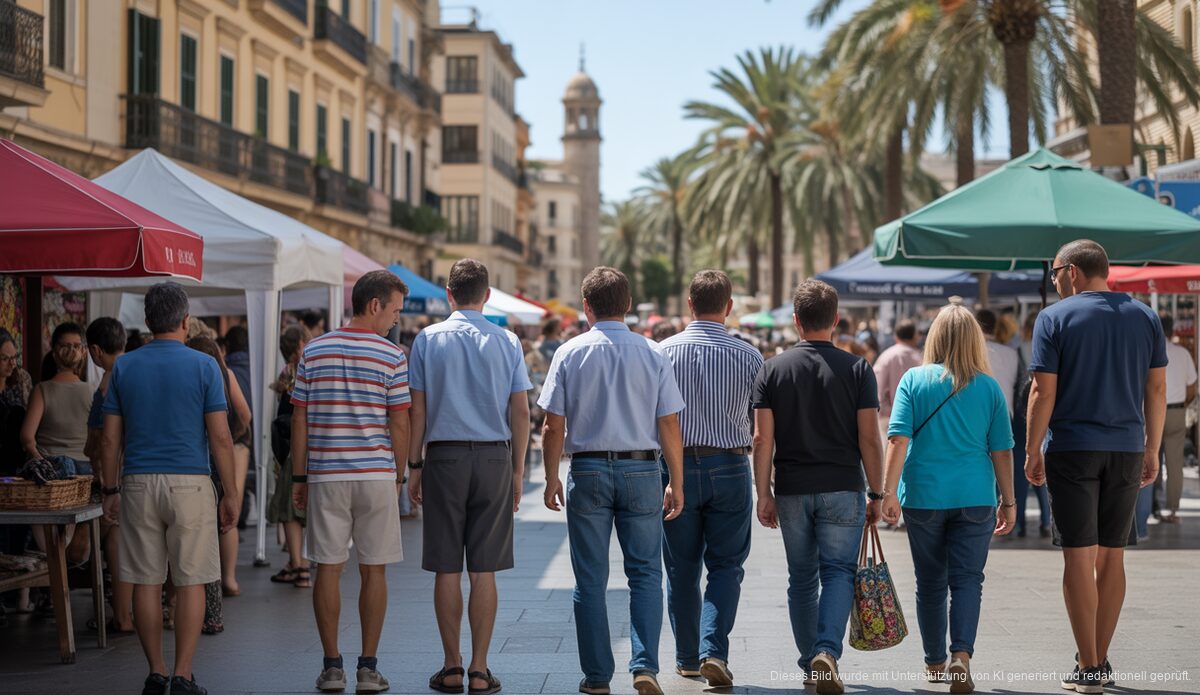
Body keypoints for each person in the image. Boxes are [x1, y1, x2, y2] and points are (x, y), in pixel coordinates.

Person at [1025, 240, 1166, 694]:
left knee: (1078, 555)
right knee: (1112, 555)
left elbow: (1042, 392)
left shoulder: (1053, 318)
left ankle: (1088, 667)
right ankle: (1098, 659)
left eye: (1054, 275)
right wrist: (1152, 449)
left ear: (1071, 272)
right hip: (1126, 447)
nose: (1053, 282)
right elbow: (1158, 390)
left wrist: (1032, 451)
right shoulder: (1145, 315)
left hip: (1072, 447)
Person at [539, 266, 686, 695]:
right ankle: (644, 667)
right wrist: (676, 480)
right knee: (645, 574)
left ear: (586, 306)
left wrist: (551, 477)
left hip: (587, 470)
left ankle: (598, 677)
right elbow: (669, 424)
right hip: (642, 469)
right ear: (627, 305)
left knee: (589, 579)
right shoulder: (652, 352)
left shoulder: (569, 352)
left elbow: (552, 425)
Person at [98, 282, 240, 695]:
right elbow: (221, 437)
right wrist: (230, 492)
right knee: (191, 578)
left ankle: (156, 671)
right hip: (192, 484)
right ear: (184, 319)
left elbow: (109, 439)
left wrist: (109, 489)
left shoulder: (124, 366)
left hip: (138, 482)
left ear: (146, 321)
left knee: (146, 580)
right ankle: (183, 673)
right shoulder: (204, 366)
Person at [752, 279, 884, 695]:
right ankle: (828, 650)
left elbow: (762, 439)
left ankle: (811, 660)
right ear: (836, 319)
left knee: (802, 578)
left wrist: (763, 493)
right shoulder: (858, 369)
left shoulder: (772, 369)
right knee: (839, 572)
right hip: (843, 486)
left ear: (795, 321)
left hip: (791, 487)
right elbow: (869, 438)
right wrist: (877, 493)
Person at [406, 259, 532, 695]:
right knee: (485, 570)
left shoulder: (426, 339)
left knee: (445, 566)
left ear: (448, 293)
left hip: (444, 457)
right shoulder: (508, 340)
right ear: (488, 294)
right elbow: (521, 411)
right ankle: (480, 669)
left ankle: (451, 665)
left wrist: (414, 466)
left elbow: (416, 410)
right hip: (495, 457)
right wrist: (517, 471)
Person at [881, 305, 1017, 692]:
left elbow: (898, 438)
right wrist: (1008, 501)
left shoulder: (914, 380)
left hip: (923, 496)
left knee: (929, 583)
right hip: (975, 496)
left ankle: (934, 661)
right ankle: (961, 656)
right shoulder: (988, 386)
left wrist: (887, 492)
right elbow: (1002, 450)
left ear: (934, 338)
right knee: (968, 580)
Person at [291, 270, 411, 694]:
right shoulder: (392, 356)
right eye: (395, 310)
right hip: (375, 474)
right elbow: (400, 421)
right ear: (374, 305)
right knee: (373, 568)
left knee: (327, 566)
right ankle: (367, 668)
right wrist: (399, 474)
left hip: (326, 475)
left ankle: (331, 668)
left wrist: (299, 476)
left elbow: (300, 418)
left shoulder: (314, 351)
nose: (396, 319)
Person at [658, 270, 763, 688]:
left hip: (675, 467)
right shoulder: (751, 356)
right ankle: (712, 651)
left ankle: (686, 658)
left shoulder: (662, 352)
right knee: (726, 565)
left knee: (680, 566)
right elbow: (761, 426)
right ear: (729, 306)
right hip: (731, 466)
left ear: (689, 303)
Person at [186, 336, 252, 634]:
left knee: (191, 540)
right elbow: (245, 414)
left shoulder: (186, 377)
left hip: (194, 461)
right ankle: (228, 581)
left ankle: (178, 606)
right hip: (222, 457)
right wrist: (236, 437)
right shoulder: (225, 374)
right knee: (224, 523)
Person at [82, 317, 134, 634]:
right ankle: (132, 612)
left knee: (114, 538)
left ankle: (122, 615)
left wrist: (107, 481)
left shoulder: (107, 384)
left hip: (118, 476)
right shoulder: (137, 371)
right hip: (148, 468)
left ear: (95, 350)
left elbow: (99, 441)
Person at [977, 309, 1048, 540]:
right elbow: (1021, 387)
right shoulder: (1011, 353)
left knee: (980, 470)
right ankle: (1014, 519)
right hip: (1006, 415)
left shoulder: (971, 352)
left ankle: (984, 520)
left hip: (975, 415)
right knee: (1009, 467)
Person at [267, 326, 311, 588]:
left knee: (291, 510)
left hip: (292, 447)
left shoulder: (287, 373)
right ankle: (300, 564)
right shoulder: (306, 369)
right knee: (302, 510)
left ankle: (299, 565)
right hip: (309, 445)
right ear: (300, 346)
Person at [1155, 313, 1196, 525]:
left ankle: (1150, 506)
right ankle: (1173, 510)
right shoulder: (1182, 353)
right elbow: (1192, 387)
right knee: (1175, 463)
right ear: (1173, 331)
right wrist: (1183, 403)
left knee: (1149, 457)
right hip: (1177, 412)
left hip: (1154, 410)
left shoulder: (1150, 351)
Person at [873, 320, 923, 441]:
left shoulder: (886, 355)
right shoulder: (920, 358)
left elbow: (876, 386)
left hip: (886, 416)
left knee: (888, 457)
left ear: (896, 336)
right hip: (914, 418)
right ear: (915, 337)